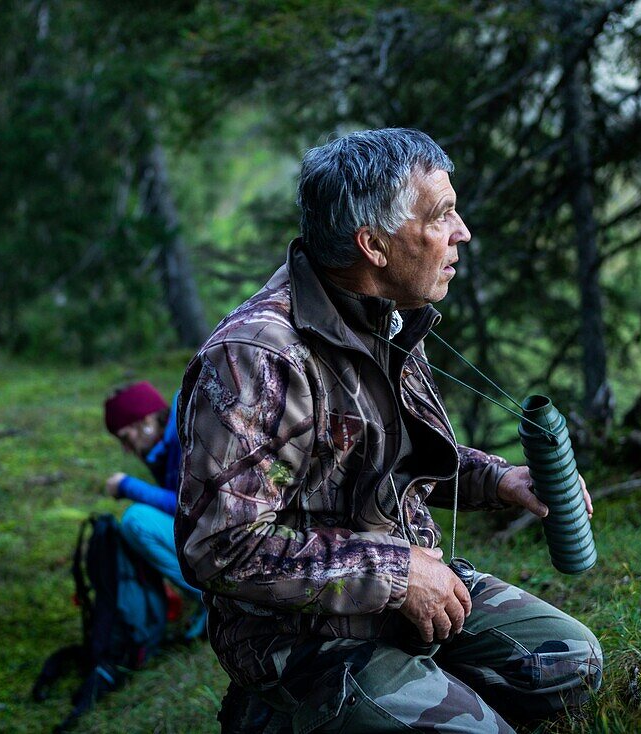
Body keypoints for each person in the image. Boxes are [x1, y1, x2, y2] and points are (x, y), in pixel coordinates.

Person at [175, 128, 603, 732]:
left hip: (409, 597)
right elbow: (220, 546)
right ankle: (270, 717)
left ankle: (413, 694)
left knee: (570, 664)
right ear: (373, 244)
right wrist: (397, 574)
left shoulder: (387, 317)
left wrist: (502, 480)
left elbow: (400, 456)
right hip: (303, 638)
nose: (463, 232)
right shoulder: (259, 359)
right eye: (442, 215)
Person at [103, 381, 207, 641]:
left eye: (126, 438)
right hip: (215, 533)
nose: (127, 449)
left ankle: (215, 600)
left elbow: (190, 505)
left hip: (225, 532)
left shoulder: (188, 430)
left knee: (136, 521)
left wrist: (128, 485)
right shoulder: (163, 446)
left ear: (145, 421)